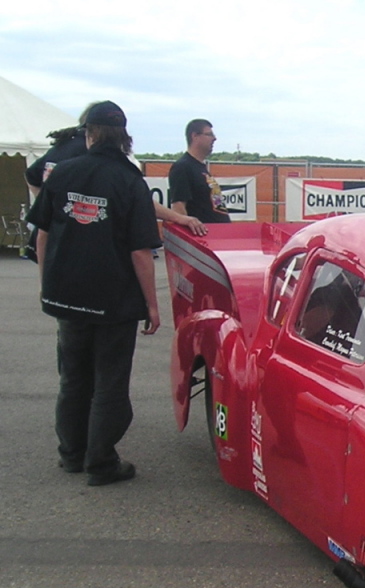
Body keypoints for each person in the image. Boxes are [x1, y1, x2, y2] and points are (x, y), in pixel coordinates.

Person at [26, 101, 163, 486]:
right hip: (113, 301)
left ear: (88, 133)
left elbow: (43, 235)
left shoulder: (63, 172)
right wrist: (152, 305)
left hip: (66, 295)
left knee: (73, 378)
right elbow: (141, 251)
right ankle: (100, 462)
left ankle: (71, 454)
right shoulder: (130, 180)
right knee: (109, 382)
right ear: (124, 137)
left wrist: (45, 283)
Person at [24, 104, 206, 263]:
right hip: (86, 250)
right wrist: (178, 217)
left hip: (55, 244)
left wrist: (49, 207)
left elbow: (31, 175)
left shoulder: (62, 148)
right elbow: (139, 201)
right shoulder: (98, 158)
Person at [168, 119, 231, 223]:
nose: (214, 138)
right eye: (209, 134)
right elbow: (179, 208)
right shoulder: (183, 167)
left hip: (218, 235)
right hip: (205, 237)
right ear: (195, 136)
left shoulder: (200, 167)